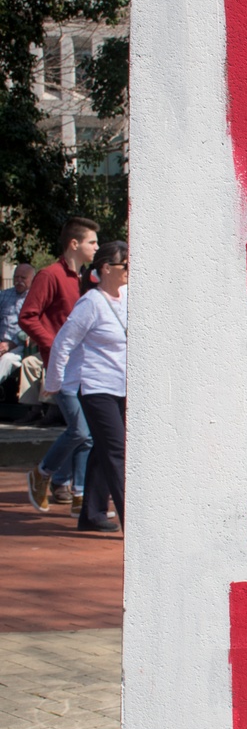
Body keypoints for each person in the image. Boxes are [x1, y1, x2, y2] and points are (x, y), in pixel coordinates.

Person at [45, 241, 127, 531]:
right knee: (117, 451)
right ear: (106, 269)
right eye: (125, 266)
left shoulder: (129, 297)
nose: (130, 271)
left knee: (104, 449)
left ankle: (92, 514)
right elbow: (63, 344)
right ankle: (132, 518)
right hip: (96, 387)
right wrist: (53, 384)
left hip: (122, 387)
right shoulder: (91, 303)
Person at [20, 217, 100, 512]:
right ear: (74, 243)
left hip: (84, 367)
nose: (97, 247)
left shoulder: (83, 279)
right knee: (80, 431)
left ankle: (74, 491)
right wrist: (55, 345)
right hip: (61, 368)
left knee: (87, 432)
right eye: (92, 242)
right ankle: (43, 474)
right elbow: (28, 316)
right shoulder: (50, 275)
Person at [0, 264, 35, 392]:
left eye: (23, 278)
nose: (19, 281)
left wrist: (11, 343)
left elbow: (33, 325)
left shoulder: (35, 298)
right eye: (16, 277)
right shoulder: (3, 296)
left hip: (21, 346)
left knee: (7, 359)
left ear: (32, 279)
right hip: (1, 342)